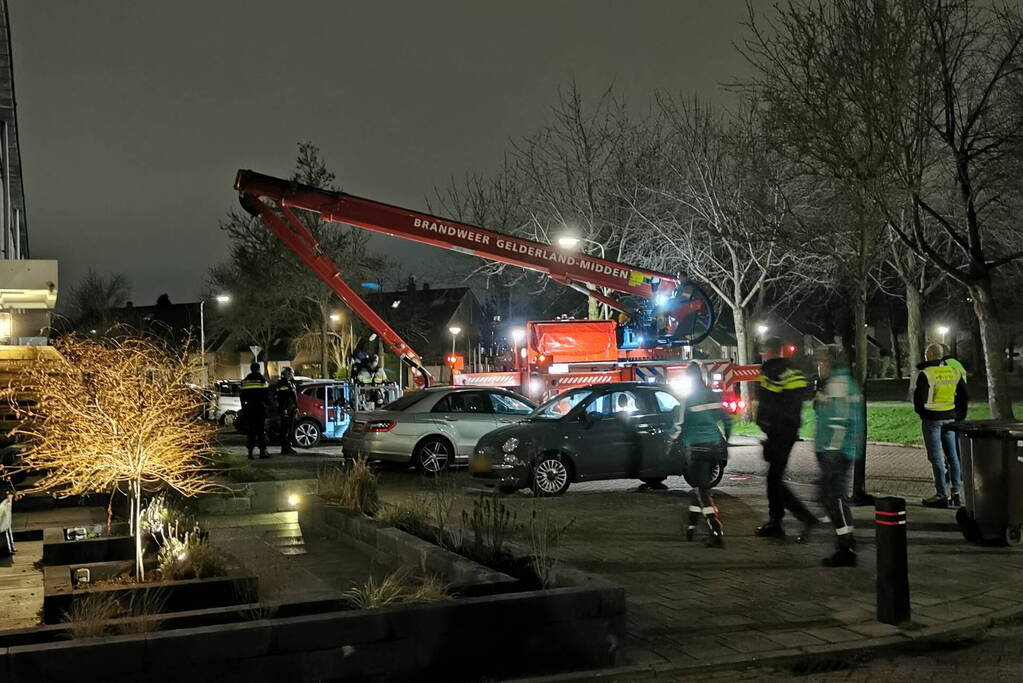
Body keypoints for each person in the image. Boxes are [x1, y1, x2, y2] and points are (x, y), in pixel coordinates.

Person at [754, 337, 817, 540]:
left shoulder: (770, 370)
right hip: (789, 430)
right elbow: (799, 397)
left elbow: (767, 401)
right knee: (774, 477)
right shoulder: (794, 370)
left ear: (768, 351)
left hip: (777, 431)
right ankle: (776, 521)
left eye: (764, 351)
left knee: (774, 480)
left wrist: (765, 425)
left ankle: (800, 518)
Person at [814, 346, 864, 567]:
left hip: (835, 451)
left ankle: (847, 546)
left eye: (823, 362)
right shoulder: (833, 383)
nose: (819, 366)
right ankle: (845, 542)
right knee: (831, 497)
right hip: (833, 450)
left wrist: (833, 448)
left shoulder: (838, 384)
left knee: (832, 497)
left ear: (831, 363)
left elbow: (842, 420)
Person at [674, 363, 731, 547]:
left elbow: (678, 425)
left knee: (701, 490)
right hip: (713, 448)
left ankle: (715, 528)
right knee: (700, 487)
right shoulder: (712, 395)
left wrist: (672, 442)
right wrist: (726, 439)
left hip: (696, 450)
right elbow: (727, 419)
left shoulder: (687, 399)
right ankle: (691, 526)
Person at [915, 343, 968, 507]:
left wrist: (924, 414)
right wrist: (957, 415)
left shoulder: (926, 374)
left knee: (936, 457)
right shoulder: (954, 372)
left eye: (926, 354)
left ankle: (941, 494)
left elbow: (919, 400)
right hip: (950, 419)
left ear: (930, 355)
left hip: (932, 420)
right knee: (953, 457)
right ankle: (957, 493)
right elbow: (964, 396)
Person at [240, 361, 270, 460]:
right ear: (258, 369)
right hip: (260, 409)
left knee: (251, 431)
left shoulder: (245, 381)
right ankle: (262, 451)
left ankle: (250, 452)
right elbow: (266, 396)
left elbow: (242, 397)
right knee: (261, 431)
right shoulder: (262, 380)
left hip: (249, 409)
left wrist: (244, 408)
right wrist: (270, 406)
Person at [274, 366, 298, 455]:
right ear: (287, 374)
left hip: (290, 409)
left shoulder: (289, 383)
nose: (292, 374)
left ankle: (287, 447)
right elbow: (283, 398)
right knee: (286, 430)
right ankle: (285, 448)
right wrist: (284, 410)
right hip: (286, 410)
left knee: (289, 429)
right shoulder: (283, 384)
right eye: (291, 373)